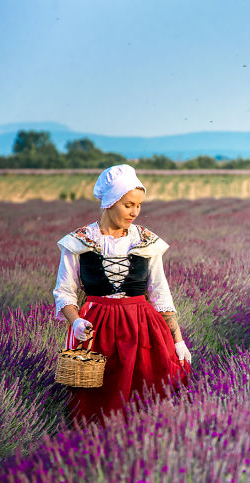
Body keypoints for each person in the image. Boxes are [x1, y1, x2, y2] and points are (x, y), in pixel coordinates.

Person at [53, 164, 192, 425]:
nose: (135, 212)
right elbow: (64, 292)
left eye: (138, 205)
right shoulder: (79, 242)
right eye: (128, 204)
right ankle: (93, 450)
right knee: (96, 397)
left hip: (143, 329)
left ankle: (144, 448)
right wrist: (76, 322)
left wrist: (178, 340)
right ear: (109, 202)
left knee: (148, 394)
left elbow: (160, 294)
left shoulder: (146, 241)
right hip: (96, 329)